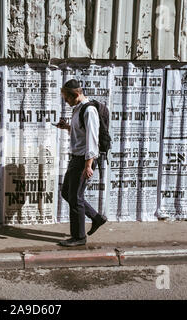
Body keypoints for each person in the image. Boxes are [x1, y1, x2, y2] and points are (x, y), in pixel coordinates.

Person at [56, 79, 107, 247]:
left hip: (85, 159)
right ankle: (96, 217)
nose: (65, 101)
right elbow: (81, 132)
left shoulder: (89, 110)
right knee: (66, 193)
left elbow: (92, 139)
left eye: (66, 98)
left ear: (76, 94)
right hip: (76, 158)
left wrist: (88, 165)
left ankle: (79, 237)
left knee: (75, 197)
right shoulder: (77, 109)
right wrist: (67, 128)